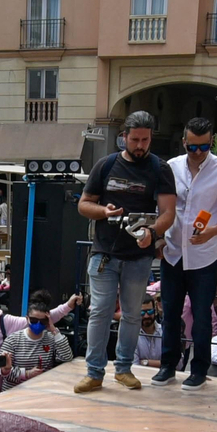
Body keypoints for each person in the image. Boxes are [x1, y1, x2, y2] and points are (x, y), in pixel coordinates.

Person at [75, 113, 176, 394]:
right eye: (135, 140)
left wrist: (153, 233)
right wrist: (103, 211)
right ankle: (94, 372)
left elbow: (169, 213)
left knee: (132, 314)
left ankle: (123, 369)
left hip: (139, 255)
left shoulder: (160, 168)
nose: (140, 145)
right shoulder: (106, 164)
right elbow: (84, 204)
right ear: (124, 137)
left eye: (145, 140)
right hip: (104, 251)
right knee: (100, 311)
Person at [152, 117, 217, 390]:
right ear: (184, 143)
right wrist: (158, 243)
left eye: (204, 147)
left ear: (211, 142)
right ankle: (168, 365)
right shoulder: (171, 167)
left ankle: (199, 369)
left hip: (205, 255)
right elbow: (159, 206)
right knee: (170, 313)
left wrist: (213, 231)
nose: (199, 153)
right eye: (193, 147)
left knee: (202, 315)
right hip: (173, 251)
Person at [0, 298, 74, 391]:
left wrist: (54, 330)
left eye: (42, 321)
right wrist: (27, 374)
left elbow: (67, 359)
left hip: (41, 391)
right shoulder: (13, 339)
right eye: (34, 320)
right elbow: (2, 370)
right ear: (27, 319)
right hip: (14, 392)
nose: (38, 324)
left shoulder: (51, 338)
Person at [132, 298, 164, 369]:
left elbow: (178, 364)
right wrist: (162, 363)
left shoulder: (164, 332)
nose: (146, 316)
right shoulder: (132, 335)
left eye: (150, 311)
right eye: (142, 312)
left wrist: (145, 362)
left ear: (155, 311)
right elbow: (135, 366)